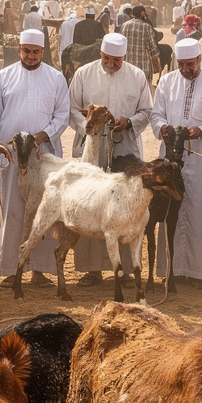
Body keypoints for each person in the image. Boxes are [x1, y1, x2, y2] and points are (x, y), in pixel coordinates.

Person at [0, 31, 69, 284]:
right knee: (12, 211)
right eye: (26, 51)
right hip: (11, 156)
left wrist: (44, 135)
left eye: (36, 52)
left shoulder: (55, 78)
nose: (30, 56)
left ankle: (40, 271)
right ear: (19, 49)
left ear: (43, 52)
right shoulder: (3, 76)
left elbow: (62, 116)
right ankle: (10, 270)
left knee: (45, 211)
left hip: (44, 157)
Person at [68, 32, 153, 280]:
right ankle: (92, 270)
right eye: (107, 58)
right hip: (90, 152)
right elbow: (72, 109)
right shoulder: (84, 74)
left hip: (124, 150)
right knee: (90, 204)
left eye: (117, 60)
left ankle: (126, 270)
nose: (112, 64)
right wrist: (90, 127)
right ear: (101, 54)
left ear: (123, 57)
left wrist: (129, 122)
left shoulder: (136, 76)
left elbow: (146, 111)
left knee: (124, 208)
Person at [149, 37, 202, 282]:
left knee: (200, 213)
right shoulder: (166, 82)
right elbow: (156, 115)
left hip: (201, 160)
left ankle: (198, 273)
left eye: (190, 65)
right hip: (170, 161)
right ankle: (171, 271)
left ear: (199, 60)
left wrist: (201, 130)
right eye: (181, 65)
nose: (185, 70)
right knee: (170, 209)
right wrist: (162, 128)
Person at [119, 6, 160, 79]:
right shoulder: (147, 27)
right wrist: (158, 67)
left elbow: (120, 46)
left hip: (128, 70)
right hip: (144, 70)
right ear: (143, 13)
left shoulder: (125, 26)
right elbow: (154, 50)